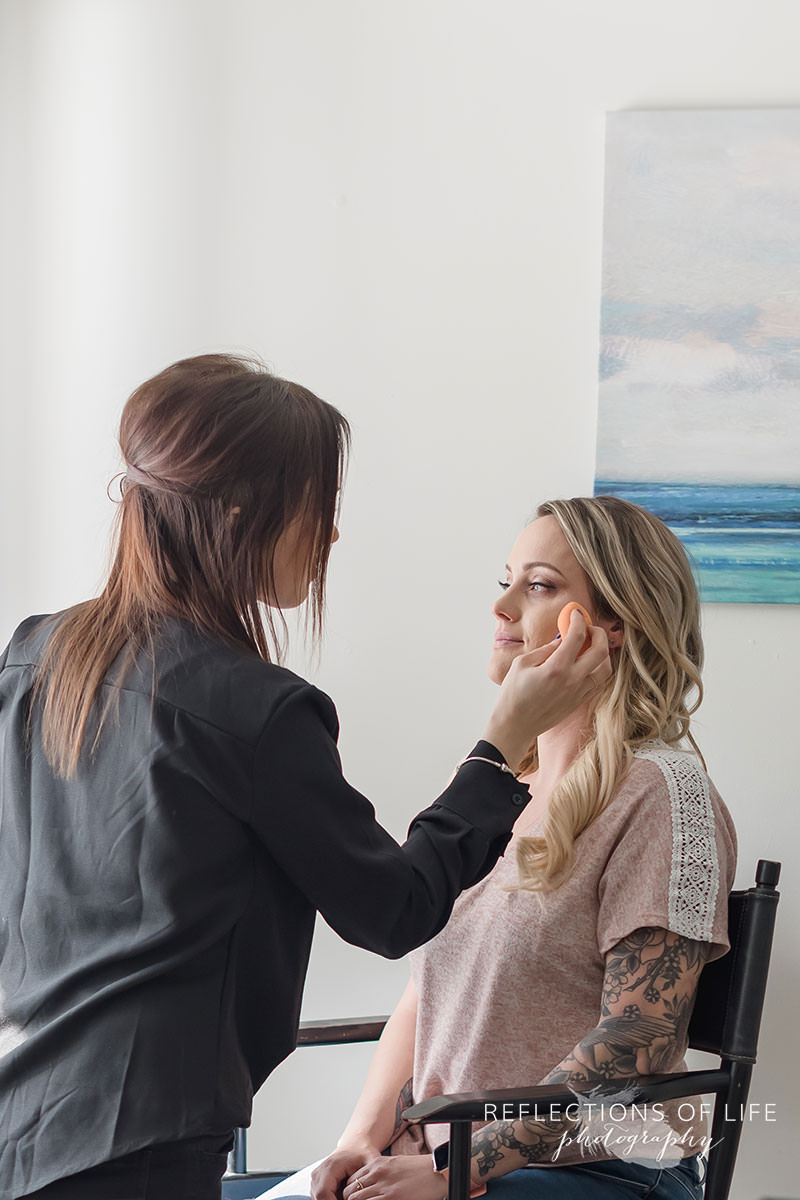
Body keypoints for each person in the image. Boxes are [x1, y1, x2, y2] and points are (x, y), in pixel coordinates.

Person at [0, 355, 611, 1200]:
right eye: (319, 507)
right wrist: (502, 742)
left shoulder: (37, 653)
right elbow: (392, 907)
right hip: (139, 1136)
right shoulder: (255, 710)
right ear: (247, 512)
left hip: (24, 1113)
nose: (329, 536)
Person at [264, 495, 736, 1200]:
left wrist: (458, 1168)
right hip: (439, 1162)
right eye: (505, 581)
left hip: (599, 1172)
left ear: (613, 623)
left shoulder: (663, 794)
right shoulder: (501, 793)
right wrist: (359, 1138)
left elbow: (636, 1041)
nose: (503, 607)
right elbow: (429, 991)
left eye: (539, 585)